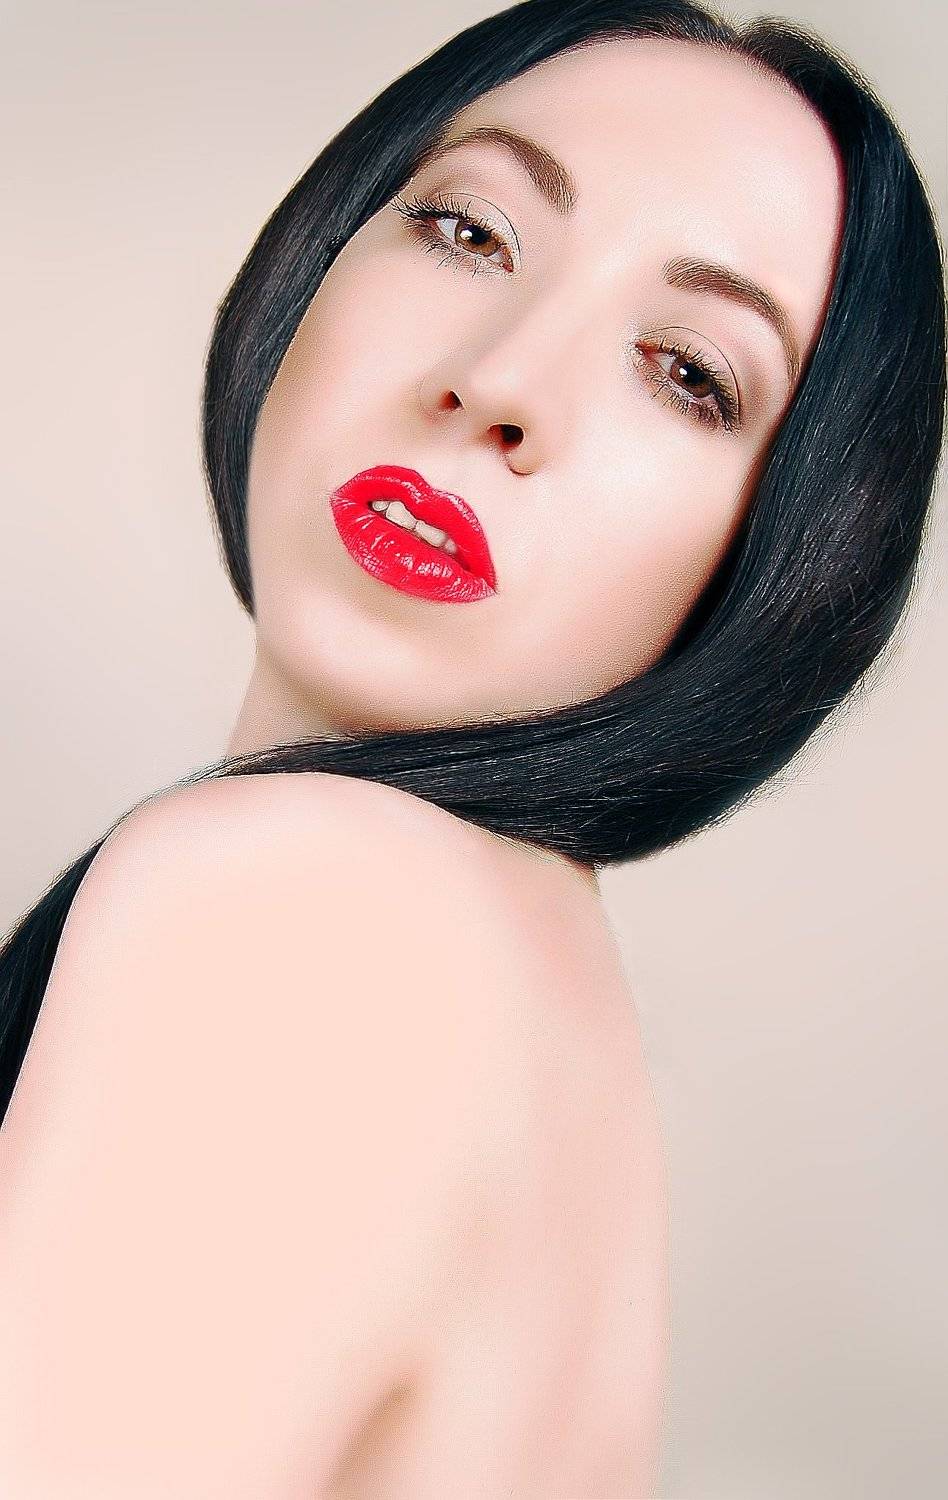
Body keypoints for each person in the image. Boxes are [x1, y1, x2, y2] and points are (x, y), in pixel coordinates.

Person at [0, 1, 944, 1495]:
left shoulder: (308, 916)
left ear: (781, 558)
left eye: (688, 372)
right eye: (469, 231)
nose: (500, 382)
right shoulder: (543, 1016)